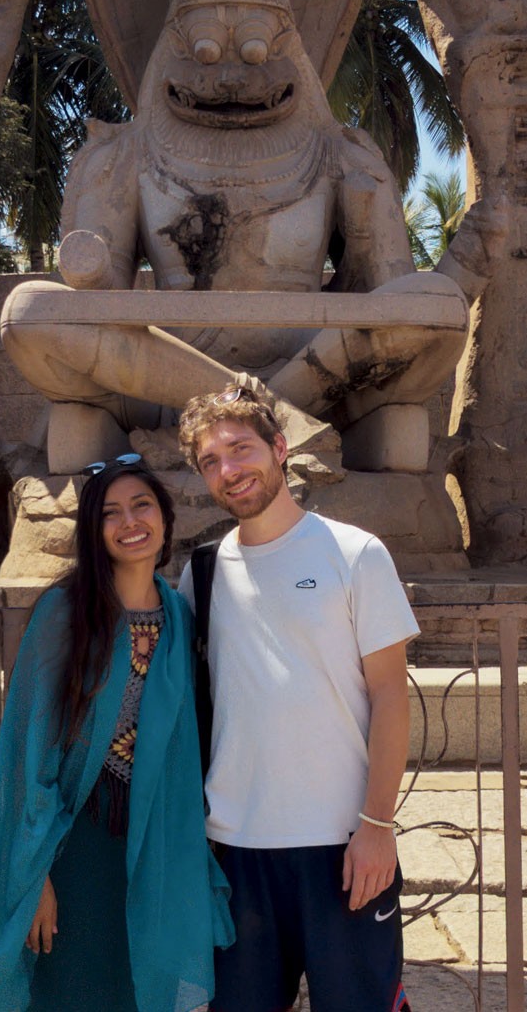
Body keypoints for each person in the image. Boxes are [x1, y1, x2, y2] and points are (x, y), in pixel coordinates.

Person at [177, 385, 417, 1012]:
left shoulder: (354, 553)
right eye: (210, 461)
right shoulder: (198, 574)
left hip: (342, 845)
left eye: (240, 448)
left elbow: (391, 694)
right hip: (232, 849)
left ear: (279, 449)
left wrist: (378, 824)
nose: (228, 470)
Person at [0, 454, 233, 1011]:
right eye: (110, 513)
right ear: (94, 531)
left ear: (164, 519)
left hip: (156, 843)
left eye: (142, 505)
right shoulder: (64, 613)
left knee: (141, 990)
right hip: (76, 847)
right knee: (74, 990)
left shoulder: (180, 618)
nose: (129, 521)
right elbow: (29, 750)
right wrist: (34, 874)